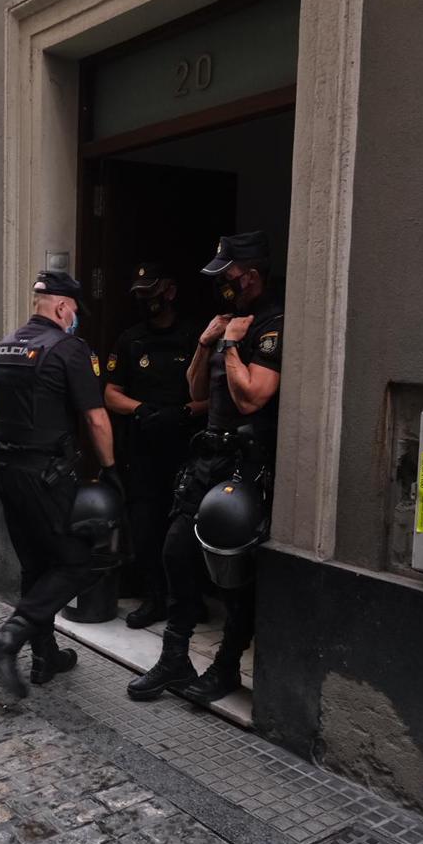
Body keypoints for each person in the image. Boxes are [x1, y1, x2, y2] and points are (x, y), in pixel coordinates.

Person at [127, 232, 283, 705]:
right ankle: (175, 656)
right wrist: (205, 344)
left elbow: (254, 395)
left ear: (251, 276)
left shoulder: (270, 323)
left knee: (231, 573)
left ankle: (227, 666)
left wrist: (233, 346)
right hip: (205, 458)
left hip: (244, 467)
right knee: (176, 552)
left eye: (229, 278)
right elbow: (195, 389)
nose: (222, 287)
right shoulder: (227, 323)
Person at [0, 271, 120, 698]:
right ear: (61, 308)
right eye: (74, 310)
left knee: (36, 566)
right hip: (47, 477)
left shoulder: (4, 347)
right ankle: (8, 639)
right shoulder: (69, 349)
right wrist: (110, 470)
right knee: (77, 562)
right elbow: (95, 417)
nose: (75, 318)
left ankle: (45, 657)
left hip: (5, 471)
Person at [103, 262, 207, 628]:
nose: (146, 300)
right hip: (144, 452)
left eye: (152, 292)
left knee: (184, 530)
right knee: (145, 528)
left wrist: (184, 413)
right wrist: (142, 410)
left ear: (170, 291)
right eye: (140, 294)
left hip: (186, 450)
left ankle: (190, 600)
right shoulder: (130, 340)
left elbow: (214, 397)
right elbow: (111, 394)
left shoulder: (195, 337)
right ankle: (154, 598)